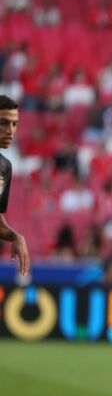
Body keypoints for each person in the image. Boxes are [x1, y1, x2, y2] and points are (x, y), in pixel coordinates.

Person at [0, 95, 29, 275]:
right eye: (3, 123)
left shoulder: (4, 168)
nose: (10, 130)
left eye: (14, 124)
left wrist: (16, 236)